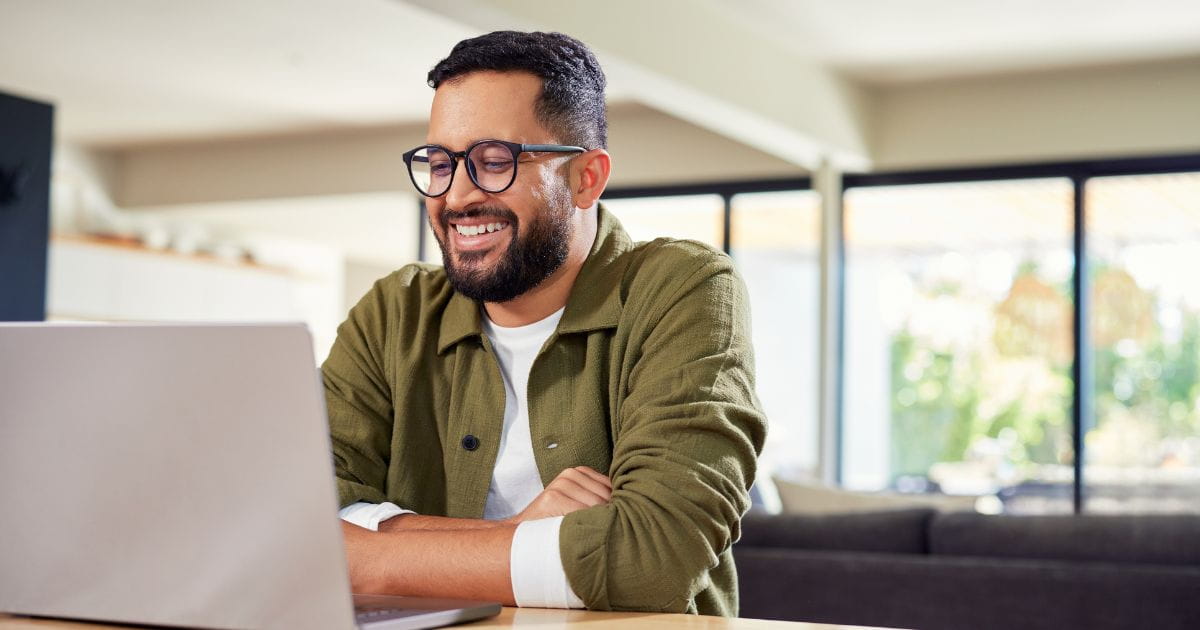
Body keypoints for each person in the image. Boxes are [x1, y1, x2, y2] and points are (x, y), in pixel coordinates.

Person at [324, 30, 766, 616]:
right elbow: (297, 517)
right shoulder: (393, 312)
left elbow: (655, 555)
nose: (456, 196)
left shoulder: (682, 288)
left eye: (494, 161)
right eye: (439, 162)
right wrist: (522, 534)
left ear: (586, 177)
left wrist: (369, 559)